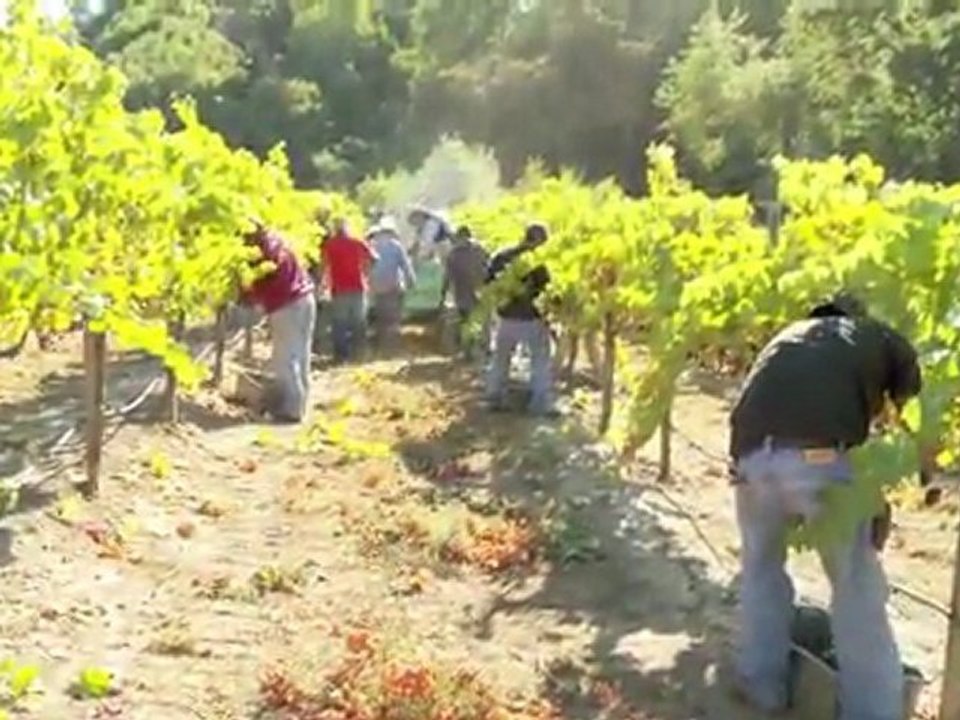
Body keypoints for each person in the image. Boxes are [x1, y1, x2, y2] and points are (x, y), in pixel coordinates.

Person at [728, 292, 922, 720]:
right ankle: (873, 713)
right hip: (820, 460)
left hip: (750, 462)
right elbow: (909, 384)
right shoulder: (871, 334)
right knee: (857, 590)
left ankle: (762, 687)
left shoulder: (784, 339)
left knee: (760, 570)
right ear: (856, 316)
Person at [240, 224, 317, 423]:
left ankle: (291, 412)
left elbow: (259, 280)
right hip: (305, 299)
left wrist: (247, 294)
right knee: (300, 354)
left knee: (285, 358)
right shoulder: (278, 241)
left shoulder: (261, 251)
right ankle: (300, 405)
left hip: (287, 305)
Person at [484, 223, 556, 417]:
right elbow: (549, 290)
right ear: (540, 240)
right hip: (531, 318)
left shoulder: (502, 256)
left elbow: (488, 281)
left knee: (500, 358)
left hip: (505, 316)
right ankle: (539, 403)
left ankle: (494, 396)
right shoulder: (541, 262)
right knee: (540, 360)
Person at [321, 218, 375, 363]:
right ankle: (360, 355)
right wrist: (366, 273)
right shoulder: (357, 242)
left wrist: (323, 284)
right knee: (359, 322)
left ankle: (341, 357)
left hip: (339, 288)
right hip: (358, 286)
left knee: (340, 323)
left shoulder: (329, 245)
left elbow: (324, 265)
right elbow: (374, 258)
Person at [441, 225, 490, 359]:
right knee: (479, 321)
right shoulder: (480, 250)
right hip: (478, 291)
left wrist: (443, 294)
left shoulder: (454, 253)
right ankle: (481, 349)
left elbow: (448, 277)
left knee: (467, 321)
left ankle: (470, 351)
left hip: (464, 293)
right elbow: (490, 269)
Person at [368, 216, 416, 352]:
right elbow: (405, 266)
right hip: (393, 285)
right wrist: (411, 281)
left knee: (381, 314)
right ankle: (391, 346)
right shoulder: (396, 246)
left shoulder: (371, 245)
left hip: (376, 286)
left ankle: (381, 344)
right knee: (393, 316)